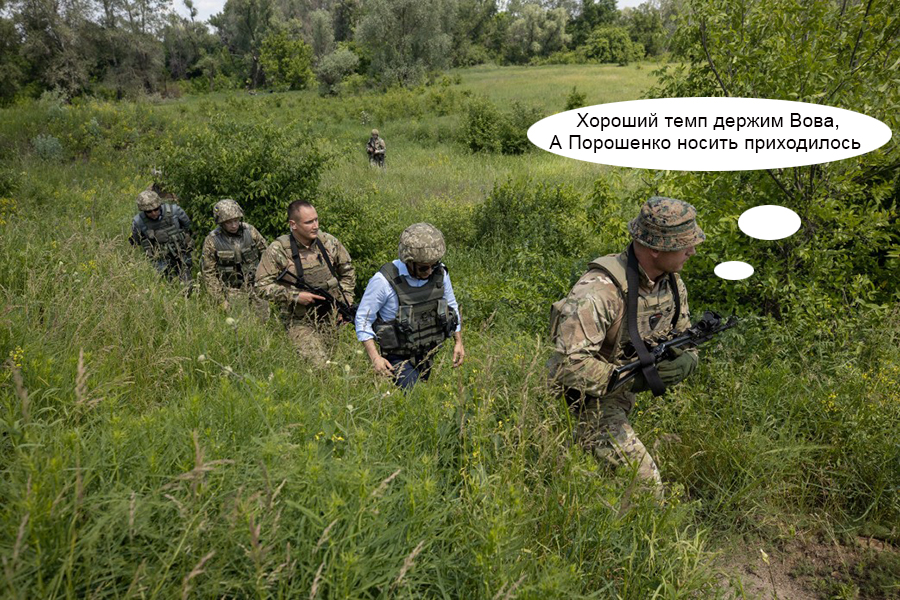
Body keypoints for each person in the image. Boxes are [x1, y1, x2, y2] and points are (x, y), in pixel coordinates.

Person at [547, 197, 705, 497]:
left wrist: (688, 360)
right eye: (685, 244)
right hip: (583, 402)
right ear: (656, 248)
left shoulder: (672, 284)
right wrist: (636, 378)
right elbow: (568, 365)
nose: (692, 251)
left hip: (618, 396)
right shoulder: (599, 291)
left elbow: (685, 335)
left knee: (603, 484)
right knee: (646, 486)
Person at [355, 222, 465, 390]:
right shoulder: (384, 281)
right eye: (424, 268)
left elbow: (451, 305)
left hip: (427, 352)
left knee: (424, 394)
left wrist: (458, 341)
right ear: (409, 261)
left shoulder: (440, 273)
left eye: (434, 265)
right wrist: (375, 358)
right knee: (416, 395)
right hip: (398, 356)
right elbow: (363, 319)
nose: (430, 272)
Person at [255, 200, 355, 367]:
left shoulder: (328, 242)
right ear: (293, 224)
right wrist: (295, 296)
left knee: (334, 362)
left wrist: (346, 302)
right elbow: (261, 286)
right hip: (299, 320)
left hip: (331, 317)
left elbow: (348, 271)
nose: (315, 226)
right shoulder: (279, 250)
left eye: (316, 220)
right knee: (319, 365)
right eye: (309, 222)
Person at [200, 199, 269, 314]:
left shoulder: (250, 231)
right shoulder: (212, 240)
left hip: (256, 285)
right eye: (229, 222)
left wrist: (266, 281)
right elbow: (208, 273)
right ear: (221, 222)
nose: (234, 225)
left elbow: (267, 254)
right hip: (232, 290)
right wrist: (220, 299)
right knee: (240, 322)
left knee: (264, 318)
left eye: (236, 220)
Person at [129, 189, 193, 285]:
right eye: (149, 212)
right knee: (166, 285)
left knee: (187, 284)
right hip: (160, 260)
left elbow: (188, 227)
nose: (153, 213)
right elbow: (137, 241)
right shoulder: (138, 222)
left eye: (156, 209)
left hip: (181, 253)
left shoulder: (175, 211)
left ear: (160, 205)